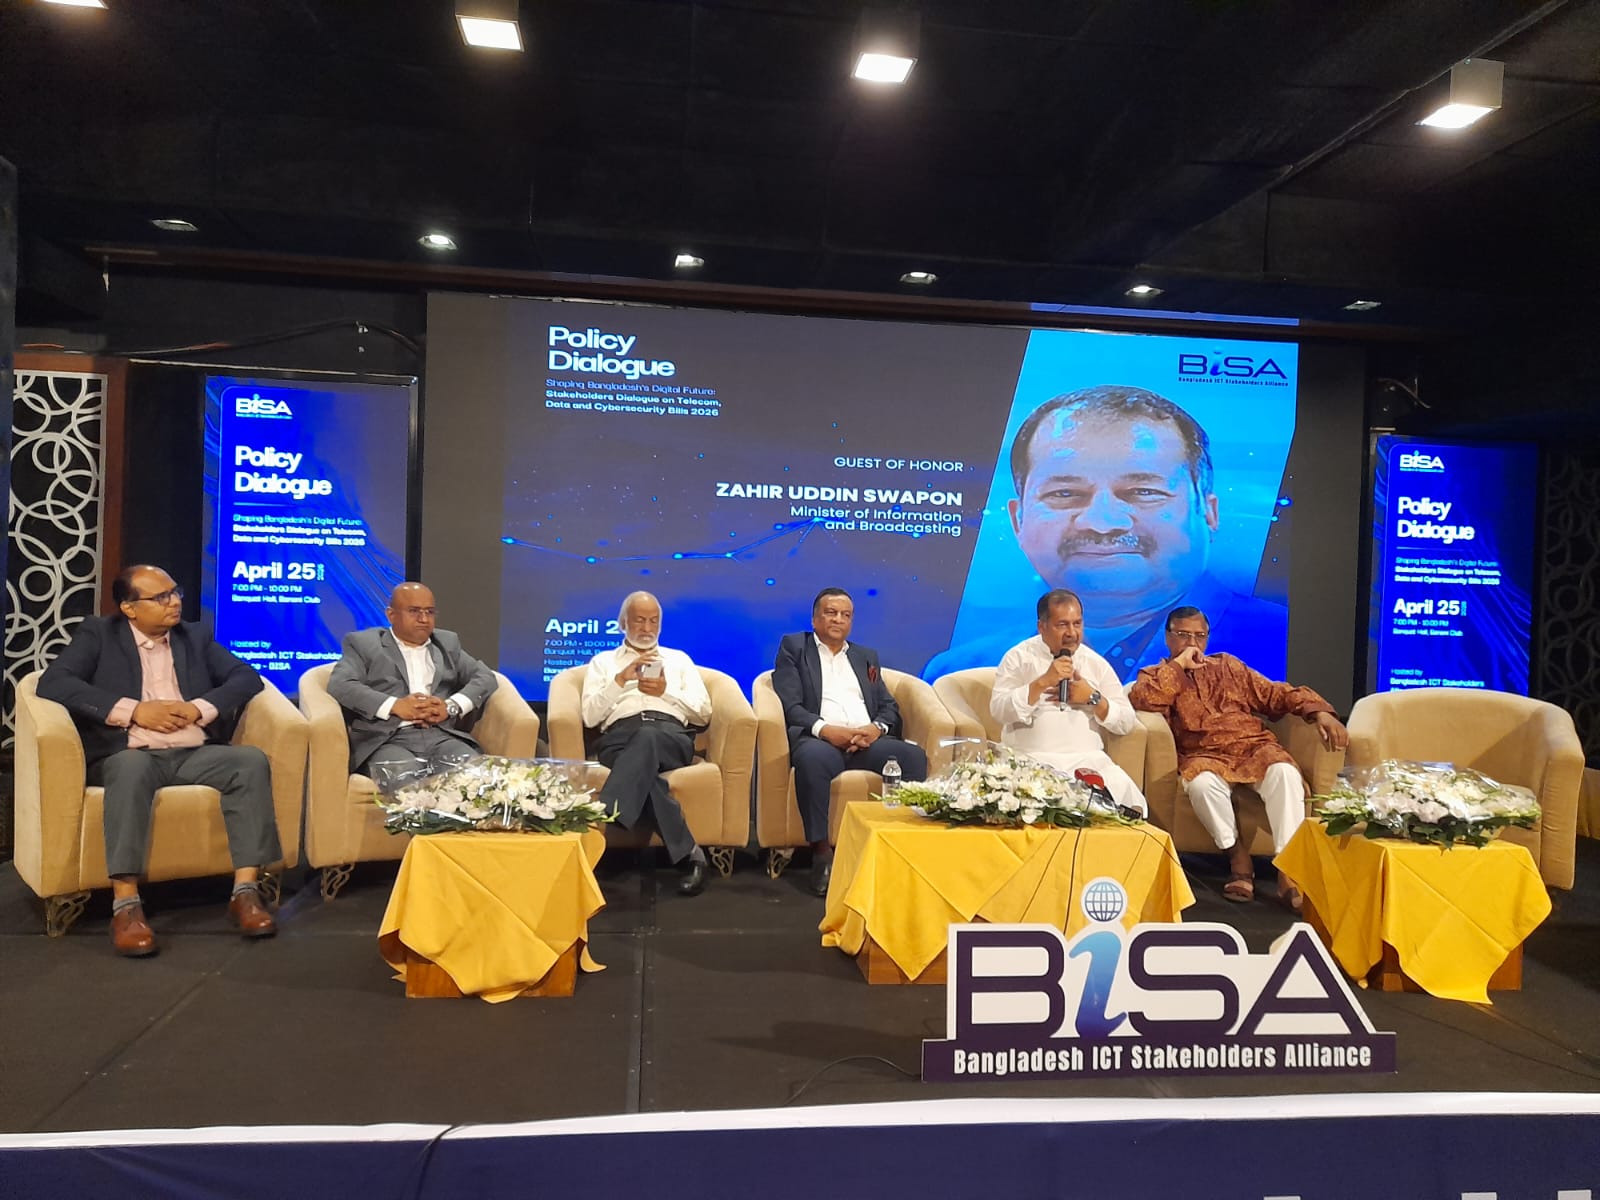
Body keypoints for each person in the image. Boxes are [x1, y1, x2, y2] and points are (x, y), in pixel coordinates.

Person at [925, 385, 1287, 682]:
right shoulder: (963, 673)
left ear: (1208, 513)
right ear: (1018, 519)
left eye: (1143, 491)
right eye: (1065, 493)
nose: (1102, 521)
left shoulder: (1282, 642)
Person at [37, 565, 282, 956]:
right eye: (161, 597)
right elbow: (54, 682)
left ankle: (245, 893)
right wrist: (134, 710)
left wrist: (199, 707)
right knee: (130, 769)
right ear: (129, 608)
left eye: (175, 592)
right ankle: (126, 905)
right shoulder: (99, 634)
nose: (174, 602)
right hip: (132, 752)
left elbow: (245, 677)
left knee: (249, 761)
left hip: (194, 752)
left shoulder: (194, 636)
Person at [1127, 605, 1348, 908]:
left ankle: (1288, 869)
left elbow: (1276, 694)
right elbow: (1145, 699)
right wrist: (1179, 666)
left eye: (1199, 636)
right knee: (1202, 786)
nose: (1192, 643)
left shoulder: (1228, 667)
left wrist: (1320, 712)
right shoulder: (1156, 675)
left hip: (1254, 748)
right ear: (1168, 637)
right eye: (1183, 635)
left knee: (1285, 773)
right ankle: (1237, 856)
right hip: (1203, 755)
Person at [772, 588, 930, 896]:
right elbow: (791, 705)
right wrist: (826, 730)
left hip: (865, 741)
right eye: (831, 613)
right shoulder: (795, 647)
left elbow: (888, 706)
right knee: (811, 761)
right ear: (815, 618)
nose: (838, 620)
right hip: (821, 739)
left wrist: (876, 729)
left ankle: (900, 845)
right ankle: (822, 854)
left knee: (913, 758)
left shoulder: (865, 656)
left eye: (846, 615)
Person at [581, 591, 713, 896]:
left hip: (670, 736)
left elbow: (704, 712)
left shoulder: (679, 660)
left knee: (648, 737)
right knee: (644, 770)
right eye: (639, 620)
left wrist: (665, 692)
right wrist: (619, 681)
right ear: (623, 623)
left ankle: (609, 814)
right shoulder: (603, 663)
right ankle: (691, 854)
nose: (647, 628)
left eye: (654, 621)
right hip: (619, 739)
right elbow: (589, 717)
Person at [990, 588, 1146, 815]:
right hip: (1031, 760)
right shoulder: (1019, 658)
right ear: (1042, 626)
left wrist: (1093, 698)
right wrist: (1042, 682)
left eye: (1077, 624)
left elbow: (1126, 722)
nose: (1072, 633)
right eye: (1062, 625)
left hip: (1088, 763)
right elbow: (999, 710)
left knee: (1128, 802)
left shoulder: (1095, 663)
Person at [327, 582, 498, 783]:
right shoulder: (364, 644)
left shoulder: (447, 643)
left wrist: (450, 707)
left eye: (429, 612)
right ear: (391, 615)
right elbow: (341, 683)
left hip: (441, 736)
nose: (424, 619)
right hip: (389, 740)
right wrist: (395, 705)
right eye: (414, 611)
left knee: (475, 780)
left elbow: (485, 677)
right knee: (408, 786)